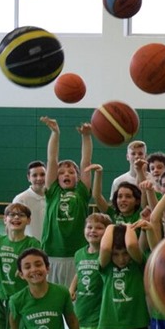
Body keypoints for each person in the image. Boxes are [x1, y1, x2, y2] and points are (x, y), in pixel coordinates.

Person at [39, 117, 93, 288]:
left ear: (78, 177)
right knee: (53, 296)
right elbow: (52, 159)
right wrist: (55, 133)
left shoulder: (81, 192)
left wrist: (86, 136)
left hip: (76, 253)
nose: (66, 174)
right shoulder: (53, 192)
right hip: (52, 253)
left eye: (71, 172)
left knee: (74, 297)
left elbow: (86, 162)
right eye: (61, 173)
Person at [12, 160, 47, 240]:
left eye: (42, 174)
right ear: (29, 178)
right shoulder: (20, 200)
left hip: (50, 244)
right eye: (34, 175)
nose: (39, 178)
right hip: (29, 245)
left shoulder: (53, 197)